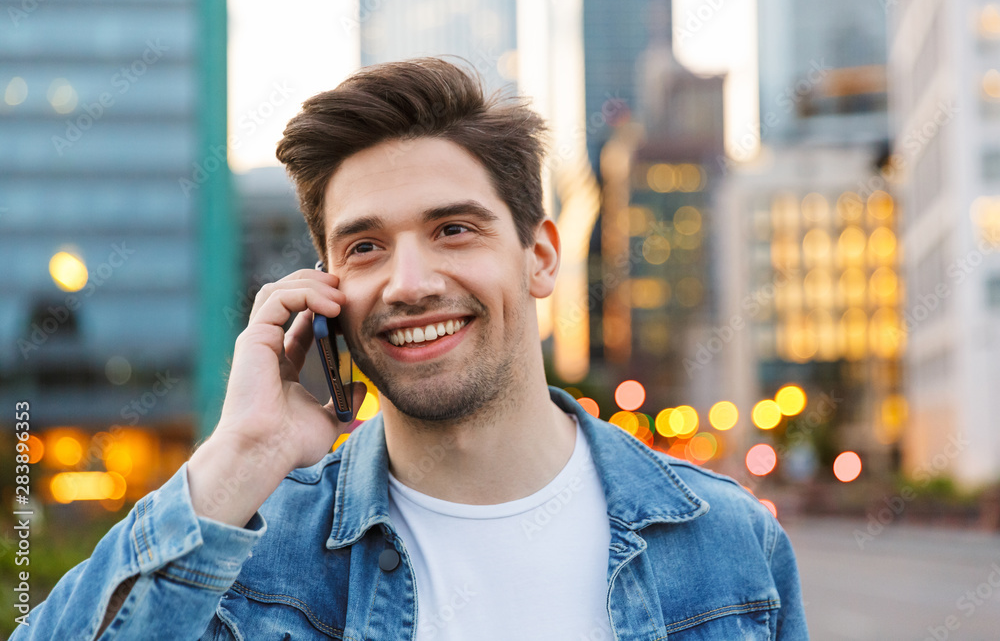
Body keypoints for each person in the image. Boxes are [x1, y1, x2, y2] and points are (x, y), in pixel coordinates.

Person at [14, 58, 808, 640]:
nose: (409, 282)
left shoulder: (729, 544)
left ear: (540, 256)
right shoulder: (249, 560)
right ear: (323, 289)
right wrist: (241, 455)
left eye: (453, 229)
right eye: (364, 247)